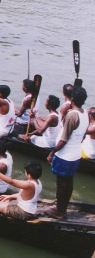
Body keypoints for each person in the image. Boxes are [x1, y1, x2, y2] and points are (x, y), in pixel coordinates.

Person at [46, 86, 88, 220]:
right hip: (75, 154)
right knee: (68, 182)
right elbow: (82, 136)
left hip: (65, 155)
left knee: (61, 183)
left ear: (72, 100)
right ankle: (61, 207)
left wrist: (52, 152)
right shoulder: (85, 113)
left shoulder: (72, 115)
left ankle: (60, 211)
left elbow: (63, 139)